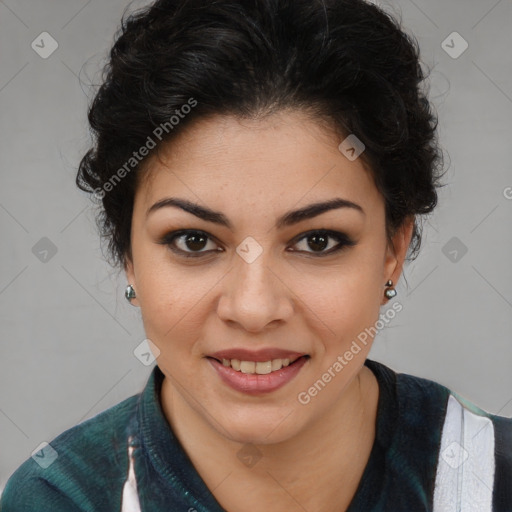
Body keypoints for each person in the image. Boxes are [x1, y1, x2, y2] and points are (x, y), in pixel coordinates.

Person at [1, 0, 511, 510]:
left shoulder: (496, 479)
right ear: (129, 256)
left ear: (392, 250)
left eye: (317, 241)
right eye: (194, 241)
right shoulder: (58, 499)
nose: (253, 308)